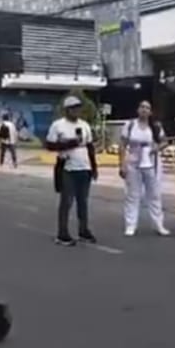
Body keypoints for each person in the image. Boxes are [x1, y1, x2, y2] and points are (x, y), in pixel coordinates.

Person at [45, 96, 98, 246]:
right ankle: (62, 233)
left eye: (78, 108)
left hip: (84, 167)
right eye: (73, 108)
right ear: (67, 110)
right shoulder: (58, 125)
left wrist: (94, 167)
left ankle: (83, 230)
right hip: (67, 167)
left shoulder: (85, 126)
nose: (76, 111)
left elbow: (90, 146)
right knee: (66, 201)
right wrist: (68, 143)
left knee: (83, 201)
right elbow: (49, 145)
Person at [119, 100, 170, 237]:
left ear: (151, 112)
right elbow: (122, 145)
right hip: (133, 163)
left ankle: (159, 224)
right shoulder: (130, 125)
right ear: (137, 110)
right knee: (132, 195)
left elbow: (165, 141)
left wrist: (156, 148)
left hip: (151, 163)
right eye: (142, 107)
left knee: (154, 194)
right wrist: (122, 164)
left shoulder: (155, 126)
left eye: (147, 108)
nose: (144, 110)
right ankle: (130, 225)